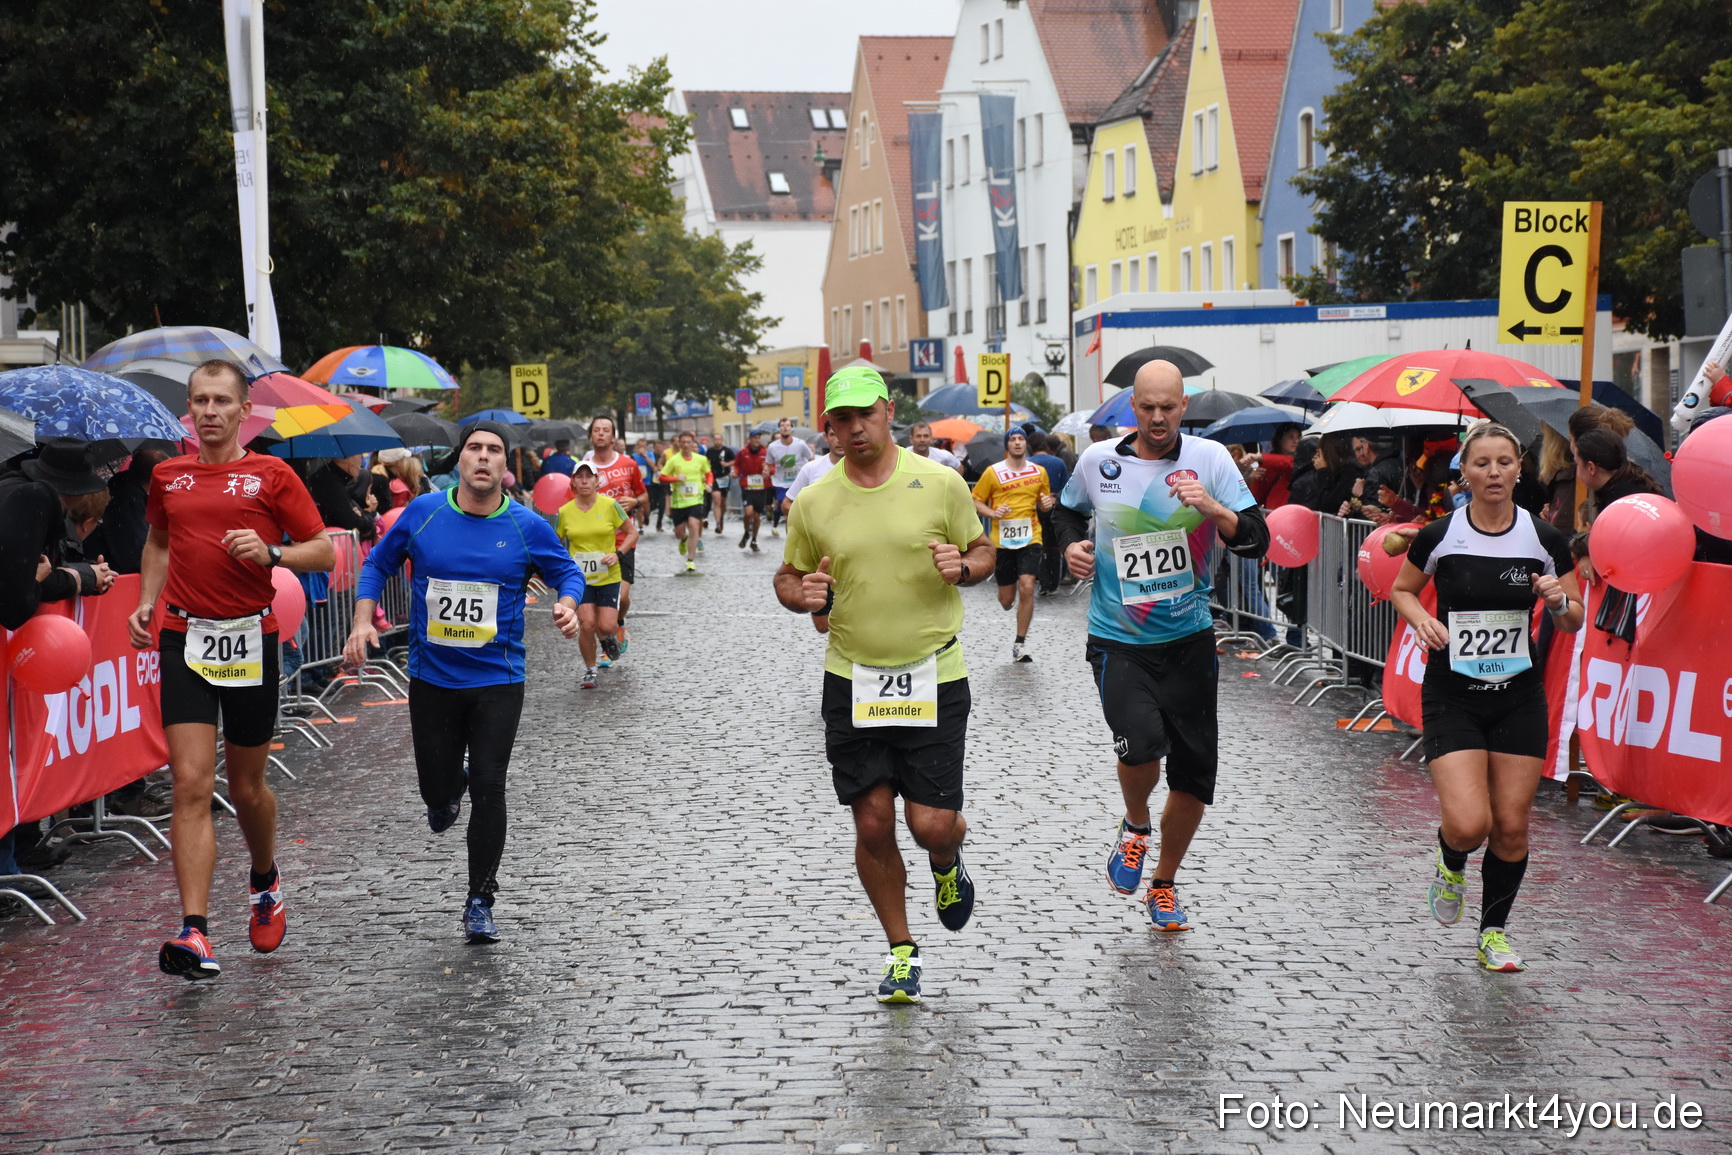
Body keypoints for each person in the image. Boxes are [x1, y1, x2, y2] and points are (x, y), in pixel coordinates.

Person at [773, 367, 994, 1004]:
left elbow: (983, 552)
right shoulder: (814, 500)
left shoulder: (941, 483)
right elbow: (788, 576)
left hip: (933, 673)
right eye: (841, 420)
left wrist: (964, 567)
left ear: (888, 412)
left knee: (931, 826)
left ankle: (946, 861)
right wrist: (800, 594)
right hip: (852, 678)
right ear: (829, 428)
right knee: (872, 824)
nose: (854, 429)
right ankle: (901, 951)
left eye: (864, 415)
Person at [129, 360, 335, 980]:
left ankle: (264, 880)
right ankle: (194, 931)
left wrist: (271, 552)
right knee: (190, 783)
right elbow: (158, 542)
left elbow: (323, 550)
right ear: (188, 409)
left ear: (245, 410)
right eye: (200, 401)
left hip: (250, 639)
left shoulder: (271, 474)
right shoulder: (168, 475)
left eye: (222, 401)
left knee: (245, 789)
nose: (210, 411)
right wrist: (146, 600)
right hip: (183, 637)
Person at [345, 421, 584, 944]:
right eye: (474, 448)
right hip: (433, 678)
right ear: (459, 460)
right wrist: (363, 620)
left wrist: (567, 605)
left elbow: (568, 573)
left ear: (504, 465)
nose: (483, 456)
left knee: (490, 785)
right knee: (436, 791)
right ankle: (448, 788)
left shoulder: (526, 525)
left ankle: (480, 900)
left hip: (498, 679)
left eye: (494, 450)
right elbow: (376, 565)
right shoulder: (424, 513)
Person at [1052, 360, 1269, 932]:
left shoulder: (1211, 459)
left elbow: (1256, 540)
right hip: (1118, 640)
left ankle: (1164, 883)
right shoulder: (1099, 461)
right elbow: (1067, 511)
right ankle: (1135, 825)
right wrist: (1071, 546)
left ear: (1183, 406)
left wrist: (1213, 508)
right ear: (1133, 406)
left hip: (1189, 640)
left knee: (1194, 776)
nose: (1156, 418)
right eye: (1146, 407)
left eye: (1167, 408)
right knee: (1141, 747)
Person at [1389, 421, 1582, 973]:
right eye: (1482, 463)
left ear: (1519, 469)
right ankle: (1452, 860)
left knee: (1512, 826)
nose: (1494, 472)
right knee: (1471, 823)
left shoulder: (1544, 539)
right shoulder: (1440, 534)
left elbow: (1574, 619)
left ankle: (1492, 934)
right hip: (1453, 695)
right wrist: (1422, 619)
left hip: (1518, 696)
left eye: (1504, 462)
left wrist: (1557, 601)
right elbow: (1401, 589)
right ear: (1465, 472)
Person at [972, 429, 1055, 662]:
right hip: (1002, 541)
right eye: (1012, 439)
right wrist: (992, 513)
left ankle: (1020, 644)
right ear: (1007, 445)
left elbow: (1044, 503)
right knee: (1006, 600)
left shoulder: (1039, 472)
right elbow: (975, 500)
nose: (1017, 443)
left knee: (1027, 586)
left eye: (1021, 439)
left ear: (1026, 444)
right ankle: (1008, 602)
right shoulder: (993, 472)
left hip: (1031, 537)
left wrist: (1047, 504)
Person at [555, 459, 638, 688]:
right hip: (580, 579)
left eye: (588, 476)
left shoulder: (610, 505)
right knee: (587, 623)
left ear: (597, 481)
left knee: (607, 625)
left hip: (608, 576)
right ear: (573, 482)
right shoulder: (565, 512)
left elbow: (632, 533)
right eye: (579, 477)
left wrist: (618, 554)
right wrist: (561, 565)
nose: (584, 481)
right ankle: (590, 670)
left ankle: (609, 638)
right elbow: (556, 542)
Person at [582, 416, 647, 655]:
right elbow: (572, 498)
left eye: (605, 430)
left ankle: (619, 621)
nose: (600, 433)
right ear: (591, 436)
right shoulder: (584, 467)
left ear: (613, 436)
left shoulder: (628, 464)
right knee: (597, 602)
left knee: (622, 596)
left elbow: (644, 495)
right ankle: (607, 645)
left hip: (622, 541)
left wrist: (635, 501)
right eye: (596, 430)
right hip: (593, 544)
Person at [84, 440, 174, 574]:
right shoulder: (129, 499)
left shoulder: (125, 490)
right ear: (155, 478)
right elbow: (135, 554)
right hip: (115, 574)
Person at [658, 430, 712, 573]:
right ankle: (683, 539)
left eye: (689, 442)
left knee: (694, 525)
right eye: (683, 442)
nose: (686, 445)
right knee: (680, 533)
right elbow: (661, 477)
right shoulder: (674, 460)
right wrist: (675, 478)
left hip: (696, 499)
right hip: (679, 502)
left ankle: (690, 560)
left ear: (693, 443)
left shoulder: (701, 459)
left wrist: (709, 484)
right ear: (679, 444)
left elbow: (708, 473)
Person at [1027, 432, 1072, 594]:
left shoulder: (1027, 464)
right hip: (1053, 507)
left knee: (1036, 544)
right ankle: (1052, 581)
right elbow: (1067, 486)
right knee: (1053, 546)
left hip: (1032, 508)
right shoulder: (1058, 462)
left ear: (1030, 446)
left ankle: (1038, 577)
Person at [764, 418, 813, 537]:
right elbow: (768, 463)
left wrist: (811, 473)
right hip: (781, 484)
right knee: (787, 510)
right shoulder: (772, 447)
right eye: (782, 425)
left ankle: (799, 534)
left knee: (799, 510)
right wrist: (766, 470)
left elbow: (811, 458)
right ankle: (790, 537)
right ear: (779, 429)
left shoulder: (800, 444)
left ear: (791, 428)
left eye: (787, 425)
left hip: (798, 483)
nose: (785, 427)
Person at [732, 429, 772, 551]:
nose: (757, 440)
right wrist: (735, 472)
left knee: (756, 516)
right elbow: (737, 465)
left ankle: (754, 539)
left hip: (761, 488)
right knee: (748, 513)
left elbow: (773, 467)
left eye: (758, 438)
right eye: (754, 438)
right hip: (747, 486)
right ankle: (746, 532)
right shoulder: (743, 452)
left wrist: (768, 471)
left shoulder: (766, 452)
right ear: (749, 439)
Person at [705, 437, 736, 534]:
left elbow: (735, 461)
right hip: (713, 477)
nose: (717, 441)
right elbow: (706, 462)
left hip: (724, 478)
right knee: (716, 500)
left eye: (719, 439)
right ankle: (718, 524)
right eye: (715, 439)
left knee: (722, 502)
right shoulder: (710, 451)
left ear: (722, 440)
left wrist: (727, 464)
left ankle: (721, 518)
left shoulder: (727, 451)